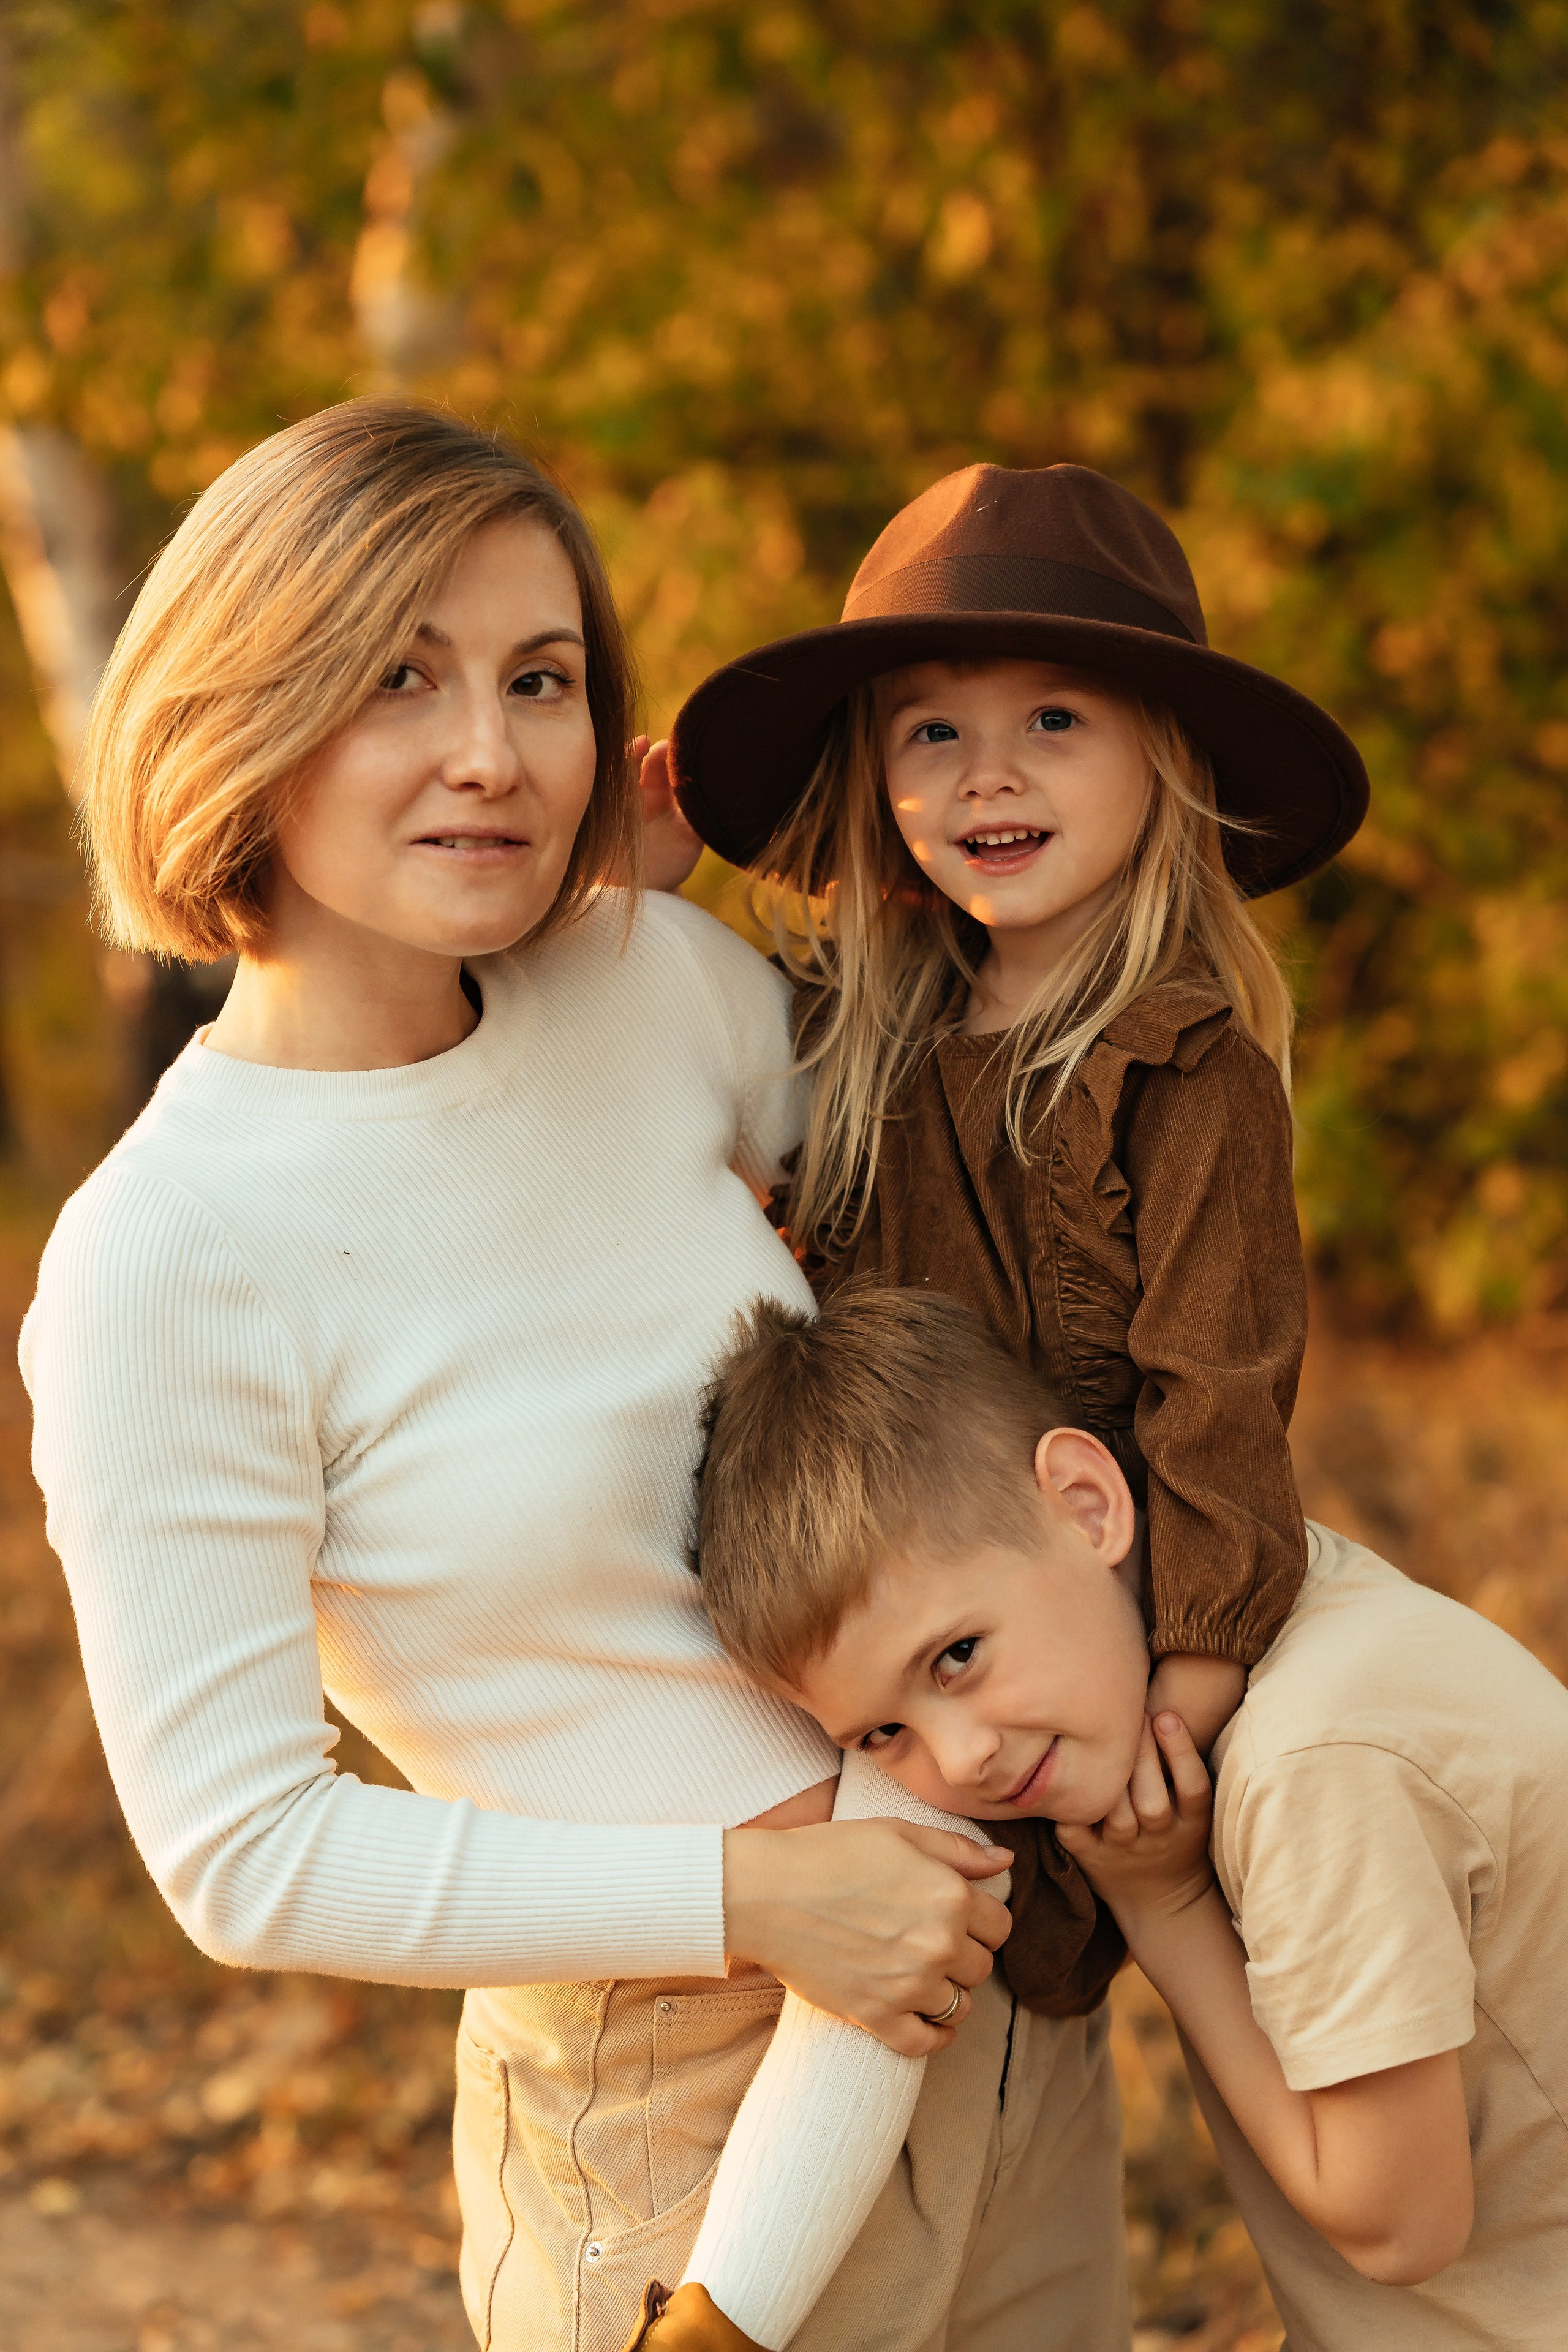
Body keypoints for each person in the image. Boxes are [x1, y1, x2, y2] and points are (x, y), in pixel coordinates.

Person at [18, 399, 1041, 2352]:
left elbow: (949, 1188)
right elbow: (246, 1853)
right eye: (398, 677)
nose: (492, 752)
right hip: (675, 2095)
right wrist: (757, 1906)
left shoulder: (655, 983)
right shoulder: (168, 1255)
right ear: (243, 712)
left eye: (541, 678)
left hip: (980, 1990)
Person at [666, 459, 1370, 2018]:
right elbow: (654, 1061)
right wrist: (637, 895)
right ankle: (746, 2273)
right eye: (933, 732)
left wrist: (1190, 1673)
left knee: (1082, 1945)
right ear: (876, 779)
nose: (987, 778)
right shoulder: (862, 1040)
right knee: (910, 1947)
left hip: (1102, 1629)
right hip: (905, 1636)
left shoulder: (1183, 1061)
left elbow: (1218, 1380)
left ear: (1158, 759)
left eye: (1052, 721)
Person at [695, 1285, 1568, 2350]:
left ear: (1087, 1504)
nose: (963, 1757)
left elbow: (1403, 2224)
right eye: (882, 1735)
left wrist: (1169, 1903)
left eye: (958, 1656)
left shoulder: (1311, 1763)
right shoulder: (1299, 1614)